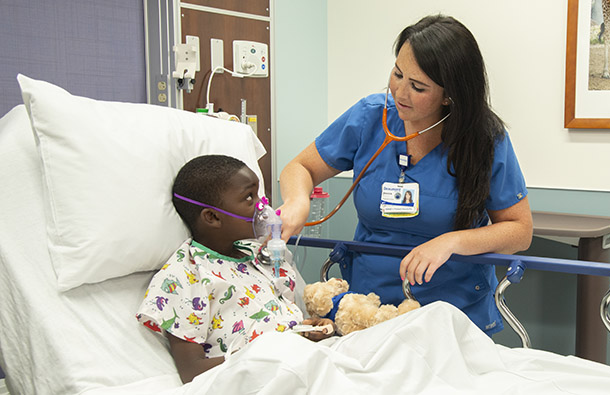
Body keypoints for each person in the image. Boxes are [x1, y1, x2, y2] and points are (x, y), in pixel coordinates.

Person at [278, 14, 532, 336]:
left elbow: (519, 230)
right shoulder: (371, 117)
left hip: (453, 311)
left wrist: (451, 242)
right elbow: (300, 168)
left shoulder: (482, 139)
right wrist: (297, 200)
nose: (400, 92)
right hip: (369, 308)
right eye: (398, 74)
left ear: (450, 95)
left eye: (418, 86)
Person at [136, 155, 334, 384]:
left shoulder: (261, 256)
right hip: (265, 377)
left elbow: (280, 320)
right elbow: (192, 371)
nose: (263, 207)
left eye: (260, 194)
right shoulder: (185, 276)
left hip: (307, 359)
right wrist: (269, 352)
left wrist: (307, 330)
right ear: (212, 217)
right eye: (250, 197)